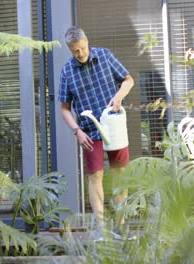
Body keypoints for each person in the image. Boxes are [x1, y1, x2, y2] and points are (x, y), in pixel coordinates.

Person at [59, 27, 135, 240]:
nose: (80, 54)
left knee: (119, 174)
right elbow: (64, 108)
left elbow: (128, 80)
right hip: (90, 131)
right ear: (69, 49)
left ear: (87, 42)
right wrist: (77, 131)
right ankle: (101, 229)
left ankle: (121, 226)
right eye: (75, 51)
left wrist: (119, 96)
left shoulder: (105, 55)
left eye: (82, 48)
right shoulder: (67, 72)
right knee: (96, 176)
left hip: (115, 126)